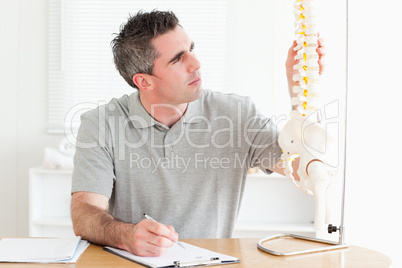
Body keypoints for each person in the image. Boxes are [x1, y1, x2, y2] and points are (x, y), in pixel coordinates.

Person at [71, 10, 325, 257]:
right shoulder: (101, 123)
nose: (196, 63)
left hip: (212, 261)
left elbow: (307, 172)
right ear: (144, 82)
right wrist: (126, 235)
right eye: (177, 58)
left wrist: (301, 93)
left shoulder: (238, 113)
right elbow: (84, 214)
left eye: (191, 49)